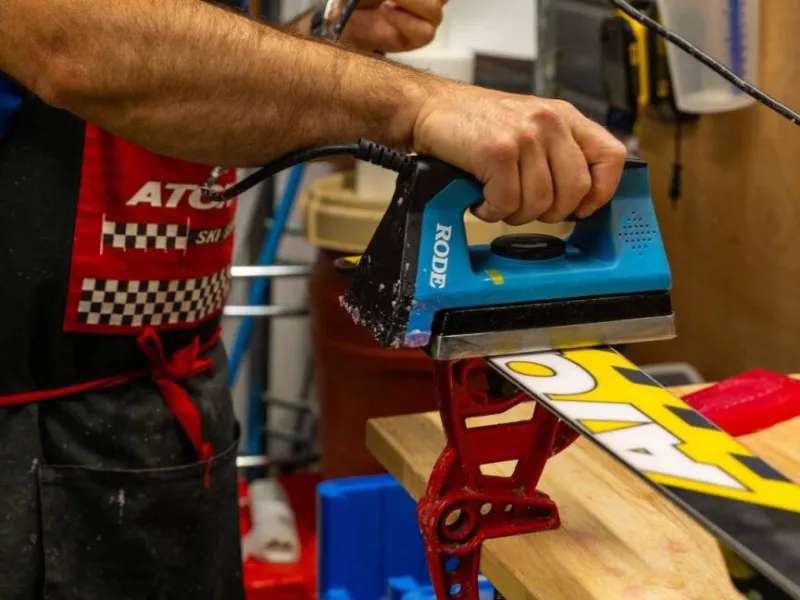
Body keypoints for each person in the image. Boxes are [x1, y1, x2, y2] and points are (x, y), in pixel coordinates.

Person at [0, 1, 627, 598]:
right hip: (26, 427)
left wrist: (324, 43)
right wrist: (421, 102)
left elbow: (176, 70)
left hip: (170, 401)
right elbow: (76, 42)